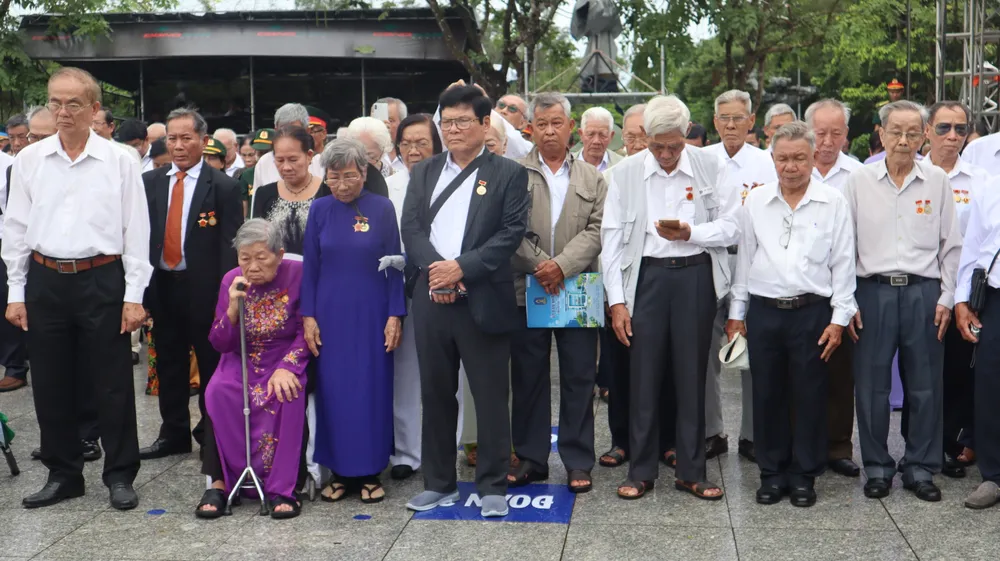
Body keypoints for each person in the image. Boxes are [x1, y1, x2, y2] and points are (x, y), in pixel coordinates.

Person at [3, 67, 151, 509]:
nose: (62, 112)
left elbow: (136, 231)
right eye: (54, 102)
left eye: (72, 104)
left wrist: (134, 296)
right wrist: (15, 291)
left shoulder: (121, 160)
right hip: (46, 279)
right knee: (49, 382)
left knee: (112, 382)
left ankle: (120, 474)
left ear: (93, 108)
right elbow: (15, 229)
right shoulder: (30, 159)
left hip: (102, 276)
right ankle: (63, 473)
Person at [602, 94, 738, 501]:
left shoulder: (710, 166)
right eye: (657, 145)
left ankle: (691, 470)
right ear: (644, 137)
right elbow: (610, 240)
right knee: (642, 376)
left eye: (674, 146)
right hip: (647, 280)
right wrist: (617, 302)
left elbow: (733, 227)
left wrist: (691, 233)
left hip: (695, 276)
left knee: (691, 377)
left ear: (686, 135)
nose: (665, 154)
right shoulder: (625, 173)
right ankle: (641, 471)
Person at [402, 84, 530, 518]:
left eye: (461, 121)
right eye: (446, 122)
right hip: (431, 297)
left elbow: (510, 234)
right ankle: (438, 482)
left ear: (484, 123)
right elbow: (412, 228)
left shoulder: (509, 174)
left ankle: (493, 483)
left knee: (491, 394)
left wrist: (462, 268)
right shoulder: (424, 171)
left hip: (482, 298)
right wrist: (439, 270)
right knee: (436, 393)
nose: (452, 130)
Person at [726, 121, 856, 507]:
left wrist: (839, 319)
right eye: (783, 159)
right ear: (772, 159)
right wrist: (737, 313)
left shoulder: (833, 202)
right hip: (765, 312)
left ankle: (804, 474)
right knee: (767, 395)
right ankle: (771, 473)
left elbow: (844, 264)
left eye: (800, 158)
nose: (791, 166)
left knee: (810, 394)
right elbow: (745, 261)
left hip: (812, 313)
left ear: (814, 157)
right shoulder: (756, 201)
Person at [844, 100, 961, 502]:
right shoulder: (859, 180)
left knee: (926, 386)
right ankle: (877, 466)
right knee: (872, 386)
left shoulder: (936, 181)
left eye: (913, 133)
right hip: (871, 291)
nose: (904, 141)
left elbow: (951, 246)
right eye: (896, 132)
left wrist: (947, 297)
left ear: (924, 134)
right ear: (881, 133)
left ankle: (921, 467)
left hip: (923, 294)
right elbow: (845, 246)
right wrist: (847, 301)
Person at [509, 92, 606, 493]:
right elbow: (507, 229)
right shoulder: (513, 173)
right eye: (542, 124)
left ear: (571, 127)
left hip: (576, 291)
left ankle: (578, 459)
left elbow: (599, 230)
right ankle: (531, 458)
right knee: (528, 377)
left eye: (557, 123)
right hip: (526, 290)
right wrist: (540, 267)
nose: (550, 131)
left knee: (579, 377)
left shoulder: (593, 177)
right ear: (531, 128)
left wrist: (561, 266)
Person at [302, 138, 405, 503]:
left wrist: (395, 314)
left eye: (350, 176)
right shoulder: (320, 210)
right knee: (332, 392)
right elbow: (310, 267)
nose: (342, 185)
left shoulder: (382, 209)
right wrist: (308, 316)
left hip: (372, 311)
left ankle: (371, 470)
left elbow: (396, 266)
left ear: (365, 173)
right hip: (329, 315)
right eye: (334, 178)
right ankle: (340, 472)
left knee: (371, 389)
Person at [138, 108, 243, 461]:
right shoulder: (151, 183)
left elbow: (230, 247)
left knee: (212, 363)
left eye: (186, 138)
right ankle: (174, 433)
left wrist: (225, 296)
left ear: (203, 139)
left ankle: (212, 433)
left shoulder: (223, 186)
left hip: (205, 290)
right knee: (168, 361)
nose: (179, 146)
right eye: (172, 138)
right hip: (163, 285)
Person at [195, 219, 309, 520]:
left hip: (284, 356)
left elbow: (306, 329)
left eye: (261, 257)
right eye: (245, 258)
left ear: (280, 255)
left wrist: (288, 366)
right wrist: (232, 307)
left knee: (287, 391)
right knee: (217, 391)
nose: (253, 266)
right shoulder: (231, 280)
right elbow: (220, 342)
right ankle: (219, 484)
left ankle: (283, 489)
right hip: (241, 357)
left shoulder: (298, 275)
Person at [704, 89, 778, 464]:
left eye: (738, 118)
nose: (731, 125)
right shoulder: (701, 160)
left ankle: (753, 434)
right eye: (724, 118)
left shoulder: (767, 163)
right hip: (709, 260)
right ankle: (710, 431)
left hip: (755, 263)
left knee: (754, 353)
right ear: (715, 122)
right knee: (706, 352)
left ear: (752, 121)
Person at [923, 101, 990, 477]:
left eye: (960, 129)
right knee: (921, 371)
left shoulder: (978, 179)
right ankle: (920, 444)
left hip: (965, 289)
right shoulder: (914, 173)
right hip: (921, 285)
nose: (952, 136)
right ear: (928, 129)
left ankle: (955, 441)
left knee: (959, 369)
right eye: (944, 127)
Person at [804, 99, 865, 478]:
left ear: (847, 136)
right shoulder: (789, 167)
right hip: (799, 286)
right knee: (800, 371)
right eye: (820, 133)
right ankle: (803, 445)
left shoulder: (857, 175)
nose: (827, 142)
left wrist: (851, 298)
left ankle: (839, 446)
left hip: (844, 287)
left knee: (841, 373)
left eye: (836, 133)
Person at [385, 113, 443, 481]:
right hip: (400, 285)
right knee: (405, 373)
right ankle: (406, 451)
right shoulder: (387, 186)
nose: (413, 150)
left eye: (421, 142)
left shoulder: (450, 180)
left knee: (442, 371)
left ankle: (445, 444)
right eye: (406, 144)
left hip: (443, 283)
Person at [955, 151, 1000, 509]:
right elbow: (973, 246)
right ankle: (993, 476)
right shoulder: (990, 183)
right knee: (989, 382)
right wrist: (961, 300)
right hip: (995, 295)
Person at [250, 126, 322, 255]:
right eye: (280, 160)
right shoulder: (264, 194)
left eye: (293, 160)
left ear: (309, 156)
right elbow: (256, 242)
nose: (286, 167)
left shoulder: (327, 193)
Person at [577, 107, 622, 171]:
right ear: (581, 134)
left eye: (603, 135)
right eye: (590, 134)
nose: (596, 141)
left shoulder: (622, 165)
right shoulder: (565, 164)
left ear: (611, 136)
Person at [372, 97, 407, 174]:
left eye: (390, 120)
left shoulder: (410, 151)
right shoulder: (365, 153)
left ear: (402, 122)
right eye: (376, 120)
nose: (383, 124)